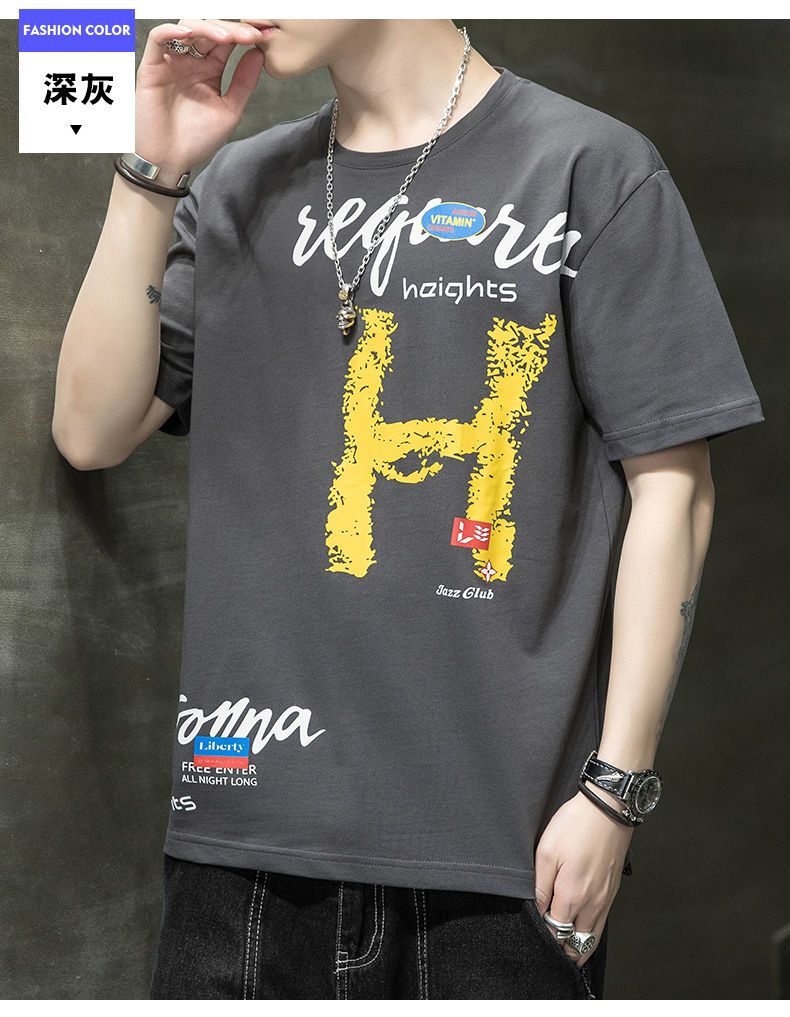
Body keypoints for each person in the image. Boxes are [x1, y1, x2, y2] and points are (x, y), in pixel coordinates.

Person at [51, 18, 765, 1001]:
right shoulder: (237, 185)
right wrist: (154, 168)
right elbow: (91, 431)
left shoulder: (587, 166)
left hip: (501, 858)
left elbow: (673, 491)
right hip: (243, 846)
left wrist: (615, 789)